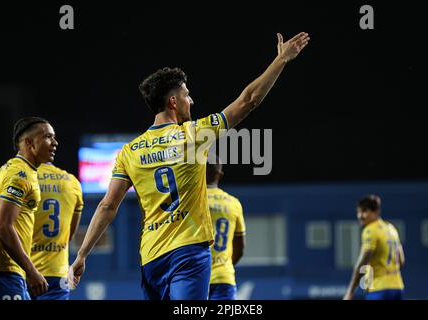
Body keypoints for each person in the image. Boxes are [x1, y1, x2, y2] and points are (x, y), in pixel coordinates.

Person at [69, 31, 310, 300]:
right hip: (189, 250)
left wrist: (81, 255)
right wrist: (281, 60)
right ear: (173, 101)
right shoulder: (194, 135)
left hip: (151, 257)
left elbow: (107, 206)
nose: (191, 100)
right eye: (187, 94)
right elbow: (248, 100)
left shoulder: (129, 151)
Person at [0, 117, 58, 300]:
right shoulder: (20, 175)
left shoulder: (18, 169)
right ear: (29, 143)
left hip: (9, 269)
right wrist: (31, 270)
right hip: (4, 269)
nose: (54, 143)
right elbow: (3, 226)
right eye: (48, 137)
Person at [30, 162, 83, 300]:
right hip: (57, 272)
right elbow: (70, 234)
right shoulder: (72, 182)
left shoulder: (20, 176)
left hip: (24, 270)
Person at [343, 195, 405, 300]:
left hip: (379, 289)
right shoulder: (391, 228)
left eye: (364, 212)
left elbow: (362, 262)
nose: (360, 216)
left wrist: (350, 291)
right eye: (358, 212)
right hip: (397, 287)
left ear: (375, 212)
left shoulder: (370, 230)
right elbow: (401, 261)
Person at [206, 159, 245, 300]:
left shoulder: (192, 202)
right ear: (220, 174)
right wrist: (226, 263)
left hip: (196, 276)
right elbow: (240, 248)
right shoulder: (233, 203)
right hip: (224, 276)